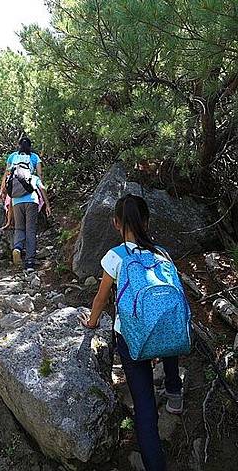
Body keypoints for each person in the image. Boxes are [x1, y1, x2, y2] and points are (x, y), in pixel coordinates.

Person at [80, 194, 186, 471]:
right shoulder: (161, 253)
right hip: (169, 329)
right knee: (166, 327)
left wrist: (91, 323)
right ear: (147, 221)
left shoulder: (115, 257)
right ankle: (175, 393)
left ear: (116, 223)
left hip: (132, 338)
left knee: (144, 405)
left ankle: (155, 464)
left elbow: (102, 298)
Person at [0, 137, 43, 230]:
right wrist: (39, 183)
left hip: (13, 182)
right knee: (38, 199)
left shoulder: (13, 156)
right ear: (30, 147)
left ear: (19, 145)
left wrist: (2, 189)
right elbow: (40, 173)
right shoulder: (34, 157)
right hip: (28, 182)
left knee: (11, 198)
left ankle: (9, 222)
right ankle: (34, 222)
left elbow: (7, 173)